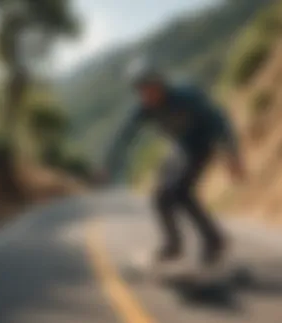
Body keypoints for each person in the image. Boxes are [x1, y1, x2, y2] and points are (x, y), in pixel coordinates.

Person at [102, 59, 246, 266]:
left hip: (201, 146)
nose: (147, 94)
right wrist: (109, 164)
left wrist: (232, 155)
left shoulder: (185, 96)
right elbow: (124, 136)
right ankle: (174, 245)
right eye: (142, 90)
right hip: (179, 150)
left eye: (150, 87)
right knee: (160, 197)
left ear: (160, 83)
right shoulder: (144, 108)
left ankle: (213, 240)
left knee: (181, 192)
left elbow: (219, 121)